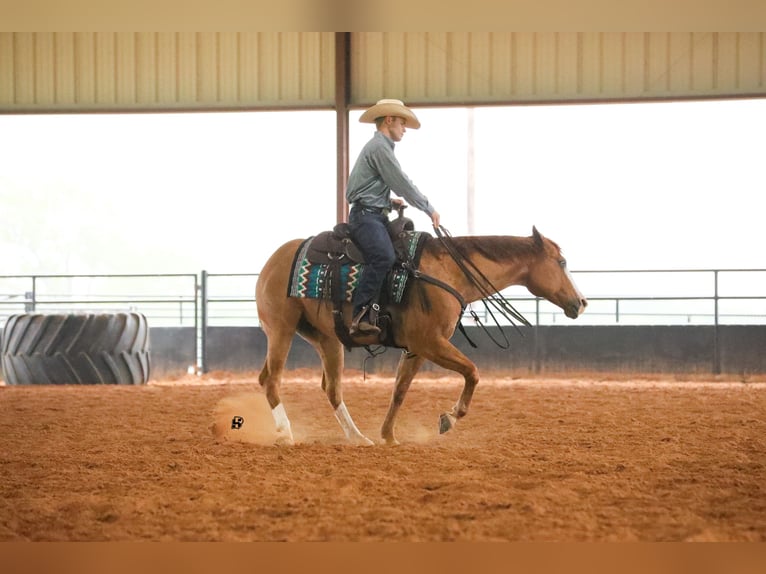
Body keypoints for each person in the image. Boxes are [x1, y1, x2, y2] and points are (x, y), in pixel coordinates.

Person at [345, 99, 441, 336]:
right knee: (383, 257)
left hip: (375, 214)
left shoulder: (380, 148)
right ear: (389, 120)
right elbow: (401, 182)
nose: (404, 129)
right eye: (402, 123)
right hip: (366, 217)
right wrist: (428, 208)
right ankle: (361, 313)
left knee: (402, 256)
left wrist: (387, 202)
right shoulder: (379, 148)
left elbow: (361, 188)